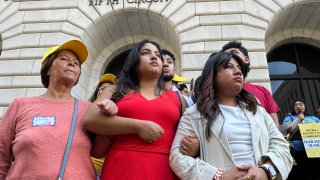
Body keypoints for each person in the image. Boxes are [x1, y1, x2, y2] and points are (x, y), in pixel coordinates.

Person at [170, 52, 292, 180]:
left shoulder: (258, 111)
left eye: (239, 68)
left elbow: (282, 147)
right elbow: (177, 157)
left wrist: (266, 171)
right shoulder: (194, 114)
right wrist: (218, 175)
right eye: (229, 66)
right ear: (212, 74)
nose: (238, 71)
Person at [83, 39, 181, 180]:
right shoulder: (115, 90)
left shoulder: (178, 99)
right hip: (121, 168)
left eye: (157, 55)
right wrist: (138, 126)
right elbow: (90, 119)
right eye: (146, 53)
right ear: (134, 61)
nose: (154, 57)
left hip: (166, 169)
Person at [0, 40, 96, 179]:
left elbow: (101, 150)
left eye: (76, 62)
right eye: (64, 58)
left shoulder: (89, 109)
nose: (72, 63)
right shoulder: (20, 105)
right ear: (48, 69)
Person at [222, 41, 280, 128]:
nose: (230, 57)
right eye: (225, 55)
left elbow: (274, 125)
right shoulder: (217, 91)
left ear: (246, 59)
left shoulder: (262, 91)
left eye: (234, 53)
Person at [282, 98, 320, 180]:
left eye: (301, 104)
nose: (298, 106)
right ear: (293, 108)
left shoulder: (314, 118)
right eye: (296, 105)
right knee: (304, 174)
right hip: (299, 151)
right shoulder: (290, 118)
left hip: (315, 150)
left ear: (305, 106)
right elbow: (287, 129)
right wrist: (298, 119)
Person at [89, 73, 116, 180]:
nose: (104, 91)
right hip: (86, 169)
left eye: (109, 89)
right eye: (102, 88)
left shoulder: (119, 112)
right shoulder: (86, 110)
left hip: (108, 171)